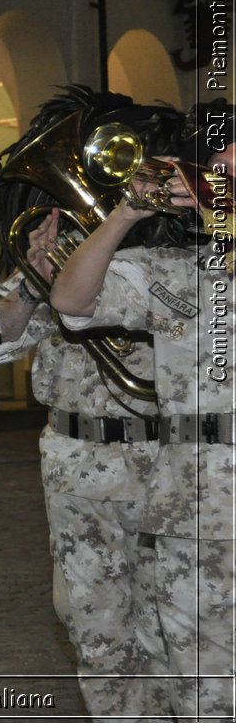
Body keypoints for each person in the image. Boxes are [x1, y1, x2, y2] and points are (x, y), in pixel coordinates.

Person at [0, 87, 178, 720]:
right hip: (80, 463)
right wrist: (34, 281)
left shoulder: (181, 255)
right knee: (94, 625)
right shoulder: (54, 245)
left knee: (181, 623)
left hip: (172, 457)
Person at [50, 105, 235, 722]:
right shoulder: (175, 274)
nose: (220, 177)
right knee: (200, 684)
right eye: (213, 167)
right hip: (195, 507)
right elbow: (73, 302)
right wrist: (128, 209)